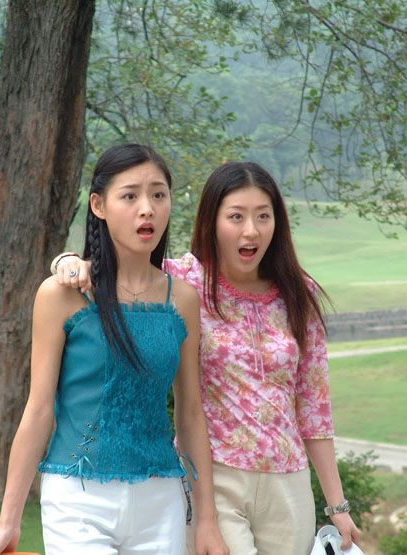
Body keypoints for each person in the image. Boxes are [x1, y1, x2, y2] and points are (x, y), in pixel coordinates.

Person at [52, 161, 361, 554]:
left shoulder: (300, 293)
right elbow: (118, 268)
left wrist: (337, 505)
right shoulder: (184, 281)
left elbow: (314, 407)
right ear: (212, 221)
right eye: (236, 217)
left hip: (288, 484)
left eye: (263, 216)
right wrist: (68, 261)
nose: (251, 231)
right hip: (214, 478)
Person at [0, 144, 228, 555]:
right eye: (130, 196)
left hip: (161, 500)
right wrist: (8, 521)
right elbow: (39, 410)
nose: (147, 209)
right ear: (98, 205)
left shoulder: (182, 299)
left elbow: (190, 413)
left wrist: (207, 519)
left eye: (158, 194)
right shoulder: (62, 294)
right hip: (76, 500)